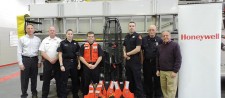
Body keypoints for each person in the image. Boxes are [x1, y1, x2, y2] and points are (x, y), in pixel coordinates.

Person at [17, 24, 41, 98]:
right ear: (26, 30)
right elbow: (19, 52)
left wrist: (39, 61)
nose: (30, 30)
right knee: (24, 78)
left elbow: (40, 52)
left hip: (34, 59)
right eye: (28, 28)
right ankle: (24, 94)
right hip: (25, 59)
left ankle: (34, 93)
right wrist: (20, 63)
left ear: (34, 30)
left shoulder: (38, 39)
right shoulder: (22, 39)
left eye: (31, 28)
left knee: (34, 78)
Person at [156, 31, 182, 98]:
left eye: (167, 35)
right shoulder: (159, 47)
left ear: (170, 36)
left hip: (171, 72)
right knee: (164, 89)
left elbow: (178, 59)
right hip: (162, 72)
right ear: (162, 37)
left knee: (171, 90)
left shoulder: (175, 45)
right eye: (163, 36)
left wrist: (175, 71)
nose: (165, 37)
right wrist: (158, 69)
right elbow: (158, 59)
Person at [123, 21, 144, 98]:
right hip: (128, 62)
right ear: (128, 27)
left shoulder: (138, 36)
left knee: (137, 80)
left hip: (135, 62)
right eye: (130, 26)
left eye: (133, 26)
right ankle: (131, 95)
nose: (131, 27)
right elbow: (124, 47)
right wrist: (124, 54)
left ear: (135, 27)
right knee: (129, 80)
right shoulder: (126, 36)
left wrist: (128, 54)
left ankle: (140, 96)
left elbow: (138, 49)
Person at [39, 26, 62, 98]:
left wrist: (55, 59)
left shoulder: (59, 40)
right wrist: (50, 59)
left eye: (53, 30)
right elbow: (42, 52)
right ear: (48, 32)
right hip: (47, 62)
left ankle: (60, 95)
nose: (52, 31)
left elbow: (61, 52)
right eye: (50, 30)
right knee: (46, 80)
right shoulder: (45, 40)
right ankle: (44, 95)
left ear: (55, 32)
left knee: (59, 80)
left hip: (57, 62)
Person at [58, 29, 80, 98]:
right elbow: (60, 54)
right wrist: (61, 65)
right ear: (66, 35)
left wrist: (79, 64)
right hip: (65, 63)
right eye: (68, 34)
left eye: (71, 34)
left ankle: (75, 95)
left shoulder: (76, 43)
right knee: (64, 80)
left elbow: (78, 55)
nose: (70, 35)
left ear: (73, 35)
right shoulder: (62, 43)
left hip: (74, 63)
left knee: (75, 80)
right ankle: (63, 96)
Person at [79, 31, 103, 96]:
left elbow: (100, 57)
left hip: (96, 66)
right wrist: (87, 64)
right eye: (89, 36)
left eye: (92, 36)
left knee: (96, 82)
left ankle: (96, 95)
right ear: (87, 37)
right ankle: (86, 95)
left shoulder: (98, 46)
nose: (91, 38)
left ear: (94, 37)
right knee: (86, 82)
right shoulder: (83, 46)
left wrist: (95, 65)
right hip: (86, 66)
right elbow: (80, 57)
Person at [141, 25, 162, 98]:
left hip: (156, 64)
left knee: (157, 81)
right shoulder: (144, 39)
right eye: (150, 30)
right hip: (147, 63)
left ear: (156, 31)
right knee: (147, 81)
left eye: (153, 30)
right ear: (148, 31)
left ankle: (157, 96)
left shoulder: (160, 40)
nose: (151, 31)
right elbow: (140, 51)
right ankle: (148, 96)